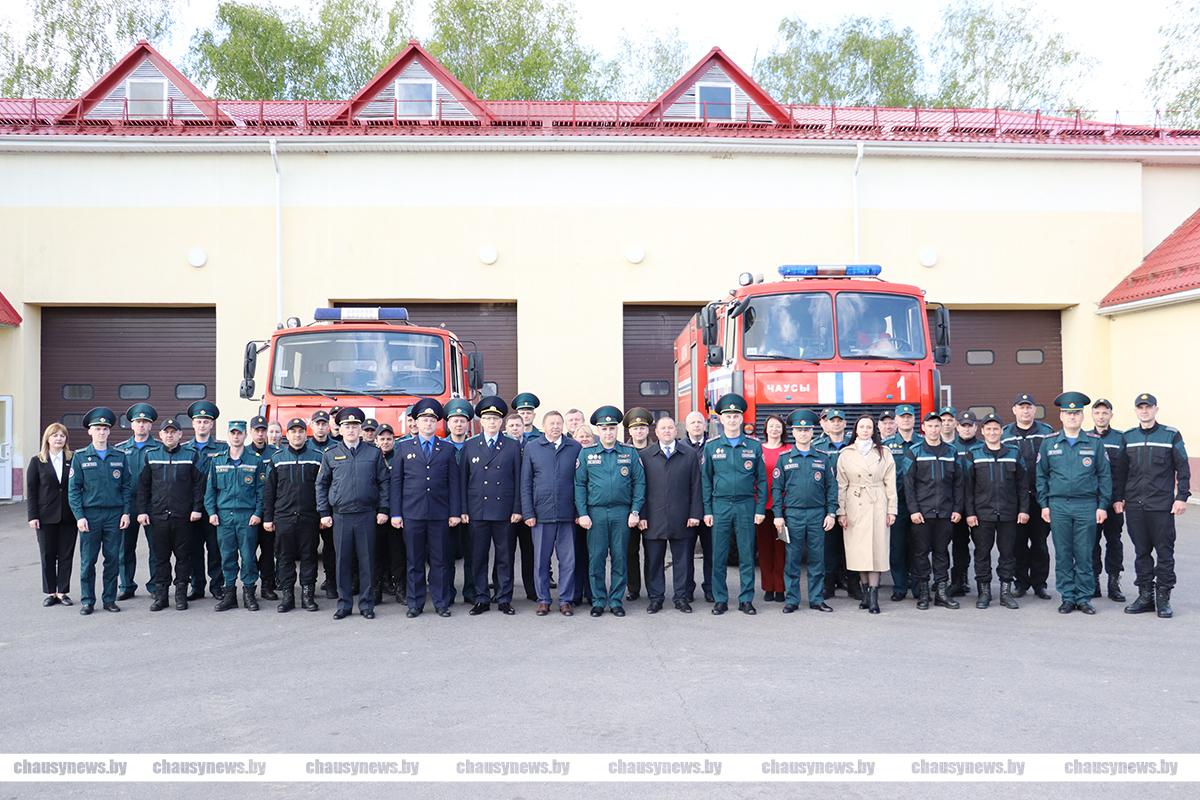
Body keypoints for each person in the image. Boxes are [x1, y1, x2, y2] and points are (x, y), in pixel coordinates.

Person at [1036, 392, 1112, 615]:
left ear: (1082, 416)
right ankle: (1067, 597)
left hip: (1086, 505)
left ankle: (1084, 597)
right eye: (1068, 413)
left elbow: (1104, 475)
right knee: (1063, 553)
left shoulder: (1095, 444)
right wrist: (1044, 504)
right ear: (1061, 416)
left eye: (1076, 413)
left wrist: (1102, 505)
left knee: (1084, 553)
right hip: (1058, 506)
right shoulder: (1049, 443)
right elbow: (1041, 476)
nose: (1072, 417)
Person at [391, 399, 462, 618]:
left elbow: (454, 483)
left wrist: (454, 512)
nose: (428, 423)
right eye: (424, 419)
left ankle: (441, 603)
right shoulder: (403, 448)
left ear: (437, 423)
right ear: (416, 422)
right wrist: (395, 512)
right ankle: (415, 603)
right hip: (412, 514)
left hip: (440, 515)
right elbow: (396, 483)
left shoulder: (447, 449)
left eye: (432, 419)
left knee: (440, 561)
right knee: (414, 561)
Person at [1122, 393, 1190, 619]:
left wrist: (1181, 496)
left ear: (1155, 409)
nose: (1144, 411)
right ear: (1136, 411)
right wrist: (1118, 498)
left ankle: (1163, 597)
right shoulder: (1128, 436)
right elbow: (1121, 471)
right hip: (1134, 506)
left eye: (1148, 407)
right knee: (1141, 552)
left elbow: (1183, 467)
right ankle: (1145, 596)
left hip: (1161, 506)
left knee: (1164, 552)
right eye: (1140, 407)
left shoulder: (1170, 434)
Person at [318, 407, 390, 620]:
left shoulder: (373, 453)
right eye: (347, 426)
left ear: (361, 429)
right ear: (339, 429)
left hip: (367, 514)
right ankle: (344, 604)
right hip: (341, 515)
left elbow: (384, 482)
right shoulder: (331, 454)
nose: (351, 430)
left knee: (367, 561)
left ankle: (367, 604)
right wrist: (324, 512)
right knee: (343, 562)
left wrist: (384, 509)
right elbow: (321, 485)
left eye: (355, 426)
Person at [575, 405, 646, 617]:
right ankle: (598, 600)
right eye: (604, 429)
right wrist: (583, 513)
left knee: (619, 558)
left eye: (612, 428)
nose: (608, 432)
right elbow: (579, 485)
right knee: (596, 558)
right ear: (598, 430)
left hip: (621, 513)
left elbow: (639, 483)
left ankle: (615, 600)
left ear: (617, 430)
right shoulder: (586, 453)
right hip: (595, 514)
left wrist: (635, 511)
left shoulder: (629, 453)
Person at [701, 393, 766, 615]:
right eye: (727, 416)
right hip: (720, 506)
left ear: (741, 419)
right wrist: (707, 510)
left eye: (736, 415)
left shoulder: (754, 447)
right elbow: (706, 481)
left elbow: (762, 481)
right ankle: (720, 599)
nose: (731, 419)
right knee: (718, 555)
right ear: (720, 419)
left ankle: (746, 599)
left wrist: (759, 509)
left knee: (747, 555)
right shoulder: (711, 447)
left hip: (746, 505)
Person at [67, 407, 132, 615]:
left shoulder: (119, 456)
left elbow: (127, 487)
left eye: (104, 428)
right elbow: (74, 490)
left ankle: (109, 599)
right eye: (97, 428)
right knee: (88, 561)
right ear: (90, 431)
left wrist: (126, 512)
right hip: (90, 516)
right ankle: (87, 600)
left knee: (112, 559)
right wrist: (79, 516)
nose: (101, 432)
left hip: (114, 515)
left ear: (109, 432)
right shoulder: (80, 457)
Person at [460, 396, 522, 616]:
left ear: (501, 422)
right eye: (487, 418)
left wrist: (517, 509)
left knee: (505, 557)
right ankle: (481, 598)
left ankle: (504, 598)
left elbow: (518, 480)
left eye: (495, 418)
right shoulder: (470, 446)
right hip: (478, 510)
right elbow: (462, 480)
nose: (492, 422)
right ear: (481, 422)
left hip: (504, 511)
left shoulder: (512, 446)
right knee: (478, 557)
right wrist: (464, 509)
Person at [962, 413, 1030, 610]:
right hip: (982, 514)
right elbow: (967, 488)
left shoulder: (1013, 453)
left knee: (1008, 553)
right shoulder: (974, 454)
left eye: (996, 429)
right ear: (982, 432)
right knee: (982, 554)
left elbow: (1022, 485)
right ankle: (984, 592)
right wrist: (970, 513)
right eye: (988, 429)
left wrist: (1024, 510)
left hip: (1009, 513)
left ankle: (1005, 592)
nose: (992, 432)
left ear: (1002, 431)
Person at [136, 417, 204, 611]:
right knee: (160, 558)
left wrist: (197, 509)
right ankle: (161, 596)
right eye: (166, 432)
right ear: (160, 435)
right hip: (158, 517)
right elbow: (143, 487)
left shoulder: (191, 456)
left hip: (184, 517)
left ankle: (181, 595)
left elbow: (199, 486)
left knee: (184, 558)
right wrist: (142, 511)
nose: (170, 435)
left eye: (173, 432)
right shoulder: (151, 455)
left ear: (180, 435)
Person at [772, 410, 836, 613]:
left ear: (812, 432)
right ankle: (792, 600)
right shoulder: (784, 459)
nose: (803, 433)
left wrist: (831, 513)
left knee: (817, 559)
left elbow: (831, 488)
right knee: (792, 559)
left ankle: (816, 599)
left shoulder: (823, 458)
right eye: (799, 430)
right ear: (793, 432)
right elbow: (776, 489)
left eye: (807, 429)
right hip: (793, 515)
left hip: (818, 514)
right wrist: (778, 515)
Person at [637, 416, 701, 613]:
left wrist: (694, 514)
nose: (667, 431)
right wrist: (642, 515)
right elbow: (641, 488)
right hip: (653, 518)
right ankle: (656, 598)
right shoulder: (646, 456)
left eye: (670, 428)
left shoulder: (689, 454)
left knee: (683, 561)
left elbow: (696, 486)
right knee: (653, 561)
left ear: (676, 431)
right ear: (656, 432)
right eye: (663, 428)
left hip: (682, 517)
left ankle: (681, 597)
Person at [521, 410, 581, 616]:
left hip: (567, 514)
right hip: (541, 514)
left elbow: (580, 482)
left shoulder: (574, 447)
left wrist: (579, 511)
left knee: (568, 560)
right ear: (544, 426)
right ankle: (544, 599)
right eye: (551, 423)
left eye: (558, 423)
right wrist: (528, 513)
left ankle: (565, 600)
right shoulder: (532, 447)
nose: (555, 426)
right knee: (541, 560)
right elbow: (526, 483)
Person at [836, 415, 897, 614]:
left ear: (873, 430)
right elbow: (841, 484)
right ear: (856, 429)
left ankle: (874, 598)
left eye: (868, 427)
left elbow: (891, 483)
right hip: (855, 503)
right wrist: (841, 511)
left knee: (876, 550)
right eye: (861, 426)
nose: (865, 430)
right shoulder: (846, 453)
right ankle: (864, 595)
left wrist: (892, 510)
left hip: (877, 502)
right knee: (859, 552)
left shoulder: (884, 452)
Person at [903, 412, 965, 610]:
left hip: (945, 512)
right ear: (924, 428)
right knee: (921, 553)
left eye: (937, 426)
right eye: (930, 426)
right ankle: (923, 594)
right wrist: (913, 510)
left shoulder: (951, 451)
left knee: (941, 553)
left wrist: (957, 508)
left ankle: (941, 593)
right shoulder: (915, 451)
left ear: (942, 428)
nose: (934, 429)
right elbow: (908, 484)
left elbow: (958, 483)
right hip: (922, 513)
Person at [204, 421, 267, 612]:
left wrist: (258, 513)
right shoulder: (217, 460)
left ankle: (249, 594)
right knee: (227, 556)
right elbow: (210, 491)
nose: (236, 437)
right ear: (228, 435)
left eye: (239, 433)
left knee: (248, 557)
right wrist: (212, 512)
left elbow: (261, 491)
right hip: (224, 517)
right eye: (233, 433)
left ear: (245, 435)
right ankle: (230, 594)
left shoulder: (255, 460)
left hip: (246, 516)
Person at [262, 418, 322, 613]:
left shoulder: (317, 457)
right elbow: (269, 491)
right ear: (287, 435)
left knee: (308, 556)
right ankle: (287, 595)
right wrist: (268, 518)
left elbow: (323, 488)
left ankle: (307, 595)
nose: (297, 435)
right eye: (293, 431)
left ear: (306, 434)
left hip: (309, 516)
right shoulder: (277, 458)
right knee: (284, 557)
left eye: (301, 431)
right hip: (284, 516)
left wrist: (323, 515)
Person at [1002, 393, 1055, 600]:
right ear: (1014, 410)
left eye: (1029, 407)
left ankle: (1039, 584)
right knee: (1018, 544)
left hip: (1040, 498)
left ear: (1035, 410)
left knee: (1040, 543)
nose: (1025, 410)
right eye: (1021, 407)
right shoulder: (1005, 434)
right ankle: (1021, 582)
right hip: (1016, 501)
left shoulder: (1047, 433)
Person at [26, 422, 76, 607]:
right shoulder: (37, 461)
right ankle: (51, 592)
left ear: (66, 439)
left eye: (62, 436)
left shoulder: (73, 459)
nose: (59, 439)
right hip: (45, 516)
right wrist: (33, 516)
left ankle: (62, 592)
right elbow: (31, 490)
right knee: (47, 555)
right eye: (55, 435)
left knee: (66, 555)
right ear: (47, 438)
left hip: (69, 515)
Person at [182, 400, 227, 601]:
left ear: (211, 425)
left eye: (206, 421)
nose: (202, 425)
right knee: (194, 549)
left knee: (215, 548)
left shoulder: (222, 448)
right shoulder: (184, 449)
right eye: (199, 421)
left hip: (213, 508)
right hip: (190, 508)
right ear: (193, 424)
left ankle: (217, 585)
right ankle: (197, 586)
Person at [115, 402, 158, 601]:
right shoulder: (120, 450)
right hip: (128, 505)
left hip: (152, 504)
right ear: (131, 425)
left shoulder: (159, 448)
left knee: (156, 548)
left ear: (150, 426)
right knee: (125, 548)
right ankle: (126, 585)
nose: (141, 425)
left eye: (145, 422)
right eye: (138, 422)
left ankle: (155, 585)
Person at [1088, 398, 1128, 602]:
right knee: (1092, 543)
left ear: (1111, 415)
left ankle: (1114, 583)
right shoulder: (1085, 437)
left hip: (1114, 502)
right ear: (1092, 415)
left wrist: (1121, 498)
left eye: (1105, 413)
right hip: (1091, 502)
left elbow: (1123, 472)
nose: (1101, 416)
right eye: (1097, 413)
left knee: (1114, 542)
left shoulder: (1121, 438)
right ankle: (1093, 582)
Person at [815, 409, 855, 601]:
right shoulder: (818, 446)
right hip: (827, 502)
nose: (836, 424)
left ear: (845, 423)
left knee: (852, 546)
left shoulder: (855, 444)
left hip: (853, 502)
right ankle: (828, 586)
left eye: (840, 420)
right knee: (829, 547)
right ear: (825, 424)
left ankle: (853, 585)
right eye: (832, 421)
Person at [884, 404, 918, 601]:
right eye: (902, 417)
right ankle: (899, 586)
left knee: (917, 547)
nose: (906, 420)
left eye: (909, 417)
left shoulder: (922, 443)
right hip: (895, 504)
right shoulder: (886, 446)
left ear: (914, 420)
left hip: (918, 504)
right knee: (896, 547)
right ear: (896, 421)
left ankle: (917, 585)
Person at [442, 398, 475, 606]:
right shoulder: (441, 447)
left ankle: (471, 591)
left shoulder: (475, 446)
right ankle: (447, 593)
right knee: (446, 555)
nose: (459, 424)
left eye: (462, 420)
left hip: (472, 509)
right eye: (455, 420)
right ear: (448, 423)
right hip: (445, 509)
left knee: (472, 554)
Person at [504, 412, 537, 601]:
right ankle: (503, 590)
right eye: (512, 426)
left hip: (529, 508)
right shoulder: (503, 447)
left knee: (529, 552)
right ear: (506, 428)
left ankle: (532, 590)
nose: (515, 429)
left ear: (524, 427)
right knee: (505, 553)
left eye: (518, 425)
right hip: (508, 510)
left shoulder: (532, 447)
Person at [681, 410, 713, 603]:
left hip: (710, 510)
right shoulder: (680, 447)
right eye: (692, 422)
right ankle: (686, 590)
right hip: (687, 511)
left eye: (699, 422)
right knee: (685, 554)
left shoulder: (714, 446)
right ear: (686, 427)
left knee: (711, 553)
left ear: (705, 425)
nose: (696, 426)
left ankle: (710, 588)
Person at [756, 414, 788, 602]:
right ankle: (768, 586)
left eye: (778, 426)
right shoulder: (757, 450)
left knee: (782, 548)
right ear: (766, 429)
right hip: (762, 507)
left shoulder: (789, 450)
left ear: (783, 430)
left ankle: (780, 587)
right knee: (765, 549)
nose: (774, 430)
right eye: (771, 426)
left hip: (782, 509)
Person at [623, 406, 654, 602]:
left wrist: (645, 514)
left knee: (652, 553)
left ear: (648, 430)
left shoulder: (656, 451)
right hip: (629, 512)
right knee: (630, 552)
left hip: (651, 511)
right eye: (635, 428)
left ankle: (653, 589)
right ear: (630, 431)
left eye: (642, 427)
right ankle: (633, 588)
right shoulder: (623, 452)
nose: (639, 431)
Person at [247, 415, 279, 601]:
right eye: (257, 430)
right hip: (250, 511)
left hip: (269, 512)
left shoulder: (274, 454)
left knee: (268, 552)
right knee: (248, 552)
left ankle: (267, 585)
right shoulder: (244, 454)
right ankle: (249, 586)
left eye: (263, 430)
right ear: (251, 432)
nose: (260, 434)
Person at [308, 409, 339, 599]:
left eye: (323, 424)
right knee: (309, 547)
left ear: (329, 426)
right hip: (309, 507)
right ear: (311, 426)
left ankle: (331, 581)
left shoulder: (337, 447)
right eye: (317, 424)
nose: (320, 427)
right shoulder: (305, 447)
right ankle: (309, 585)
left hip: (331, 507)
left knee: (330, 547)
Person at [949, 410, 980, 597]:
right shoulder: (950, 448)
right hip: (958, 504)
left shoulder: (984, 447)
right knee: (959, 545)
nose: (966, 429)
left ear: (976, 427)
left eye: (970, 426)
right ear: (956, 426)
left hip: (979, 504)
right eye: (963, 425)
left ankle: (981, 581)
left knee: (981, 547)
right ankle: (959, 580)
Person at [371, 423, 400, 605]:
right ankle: (377, 588)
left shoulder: (400, 457)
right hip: (376, 513)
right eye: (382, 439)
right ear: (376, 441)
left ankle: (398, 587)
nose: (386, 442)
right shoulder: (371, 458)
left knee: (397, 553)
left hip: (396, 511)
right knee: (376, 553)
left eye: (389, 439)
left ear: (394, 440)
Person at [568, 425, 595, 608]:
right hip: (575, 515)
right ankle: (576, 592)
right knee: (577, 555)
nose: (584, 439)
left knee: (593, 555)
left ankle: (592, 592)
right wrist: (578, 513)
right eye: (580, 436)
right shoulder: (570, 456)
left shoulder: (597, 456)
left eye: (587, 436)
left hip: (595, 514)